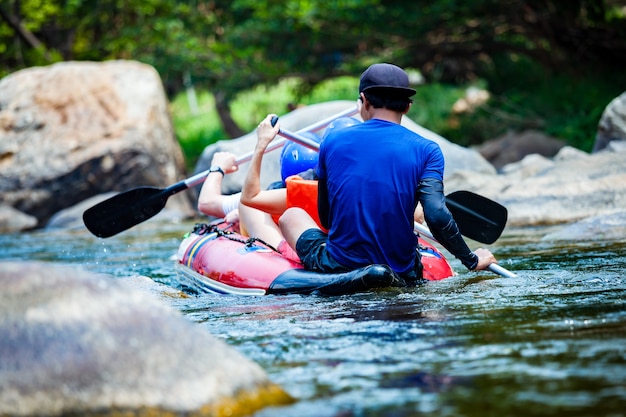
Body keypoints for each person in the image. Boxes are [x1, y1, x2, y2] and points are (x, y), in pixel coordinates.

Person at [270, 62, 497, 282]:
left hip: (341, 263)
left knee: (292, 215)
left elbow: (327, 218)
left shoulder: (333, 141)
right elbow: (436, 215)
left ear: (364, 101)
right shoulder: (428, 150)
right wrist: (471, 259)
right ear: (408, 106)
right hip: (403, 269)